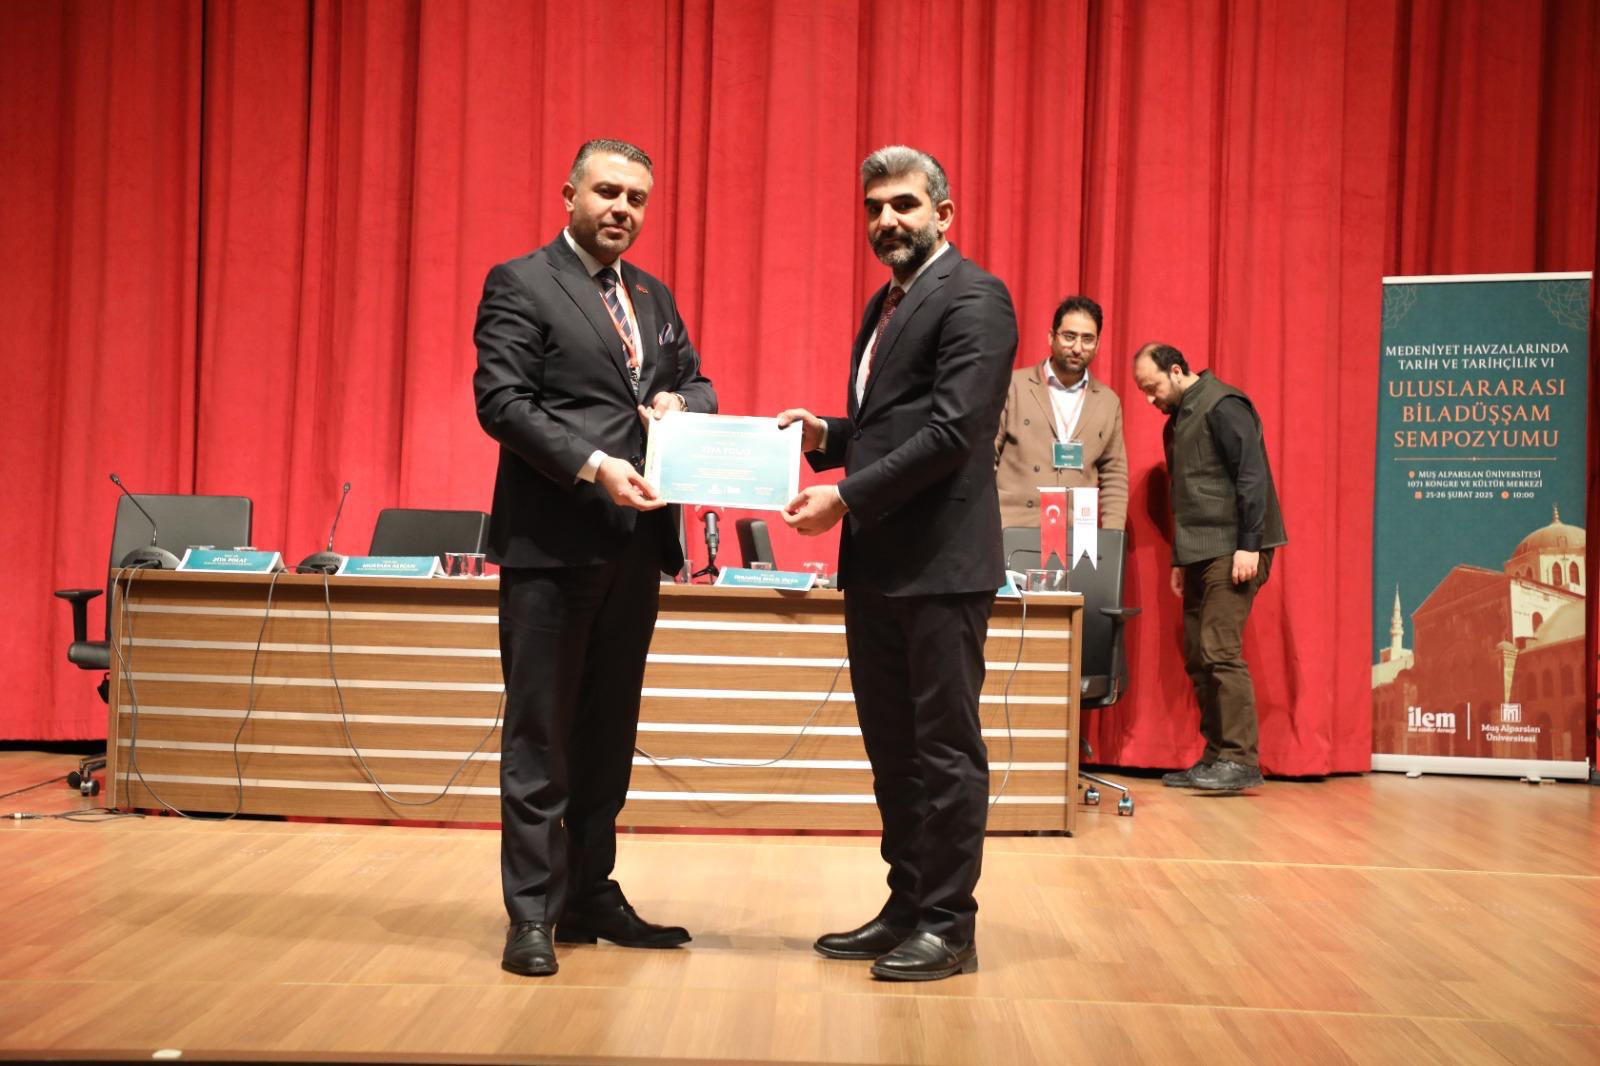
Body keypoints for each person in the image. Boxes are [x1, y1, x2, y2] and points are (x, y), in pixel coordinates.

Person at [473, 138, 716, 977]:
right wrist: (593, 464)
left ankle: (588, 892)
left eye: (637, 198)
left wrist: (683, 401)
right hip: (553, 545)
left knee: (609, 735)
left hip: (636, 548)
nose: (622, 209)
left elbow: (699, 381)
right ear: (569, 194)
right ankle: (532, 912)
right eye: (608, 192)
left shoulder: (652, 296)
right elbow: (502, 402)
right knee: (541, 735)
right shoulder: (521, 282)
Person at [778, 145, 1017, 982]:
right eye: (875, 207)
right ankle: (907, 906)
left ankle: (949, 926)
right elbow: (892, 424)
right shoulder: (886, 304)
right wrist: (829, 436)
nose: (887, 220)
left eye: (905, 205)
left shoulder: (976, 297)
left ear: (943, 214)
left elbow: (953, 432)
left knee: (944, 752)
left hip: (942, 565)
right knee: (894, 751)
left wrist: (844, 498)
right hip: (879, 564)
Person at [1130, 343, 1286, 792]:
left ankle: (1240, 759)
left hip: (1233, 548)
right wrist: (1180, 559)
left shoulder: (1224, 405)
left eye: (1153, 388)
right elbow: (1186, 494)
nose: (1150, 399)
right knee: (1199, 655)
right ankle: (1217, 756)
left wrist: (1249, 546)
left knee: (1219, 650)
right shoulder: (1176, 421)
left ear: (1177, 371)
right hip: (1198, 552)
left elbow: (1251, 475)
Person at [994, 294, 1127, 532]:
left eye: (1088, 339)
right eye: (1069, 336)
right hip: (1012, 527)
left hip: (1076, 533)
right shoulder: (1013, 386)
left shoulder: (1108, 402)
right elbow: (985, 457)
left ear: (1098, 344)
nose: (1077, 348)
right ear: (1051, 336)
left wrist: (1112, 536)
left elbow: (1114, 474)